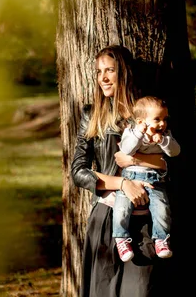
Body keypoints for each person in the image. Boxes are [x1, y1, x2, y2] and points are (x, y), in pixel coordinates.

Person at [71, 45, 168, 297]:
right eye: (99, 72)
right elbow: (79, 171)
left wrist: (135, 161)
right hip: (105, 218)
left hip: (145, 219)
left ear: (123, 73)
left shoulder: (148, 115)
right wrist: (124, 184)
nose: (103, 78)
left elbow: (170, 165)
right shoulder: (91, 116)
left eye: (110, 70)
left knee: (140, 291)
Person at [113, 96, 180, 262]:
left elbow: (175, 151)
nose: (162, 124)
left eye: (164, 119)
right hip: (130, 178)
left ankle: (161, 240)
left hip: (155, 180)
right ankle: (121, 239)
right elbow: (127, 149)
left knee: (162, 209)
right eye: (157, 119)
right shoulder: (131, 132)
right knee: (121, 208)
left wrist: (164, 141)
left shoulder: (165, 135)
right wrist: (138, 133)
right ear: (141, 121)